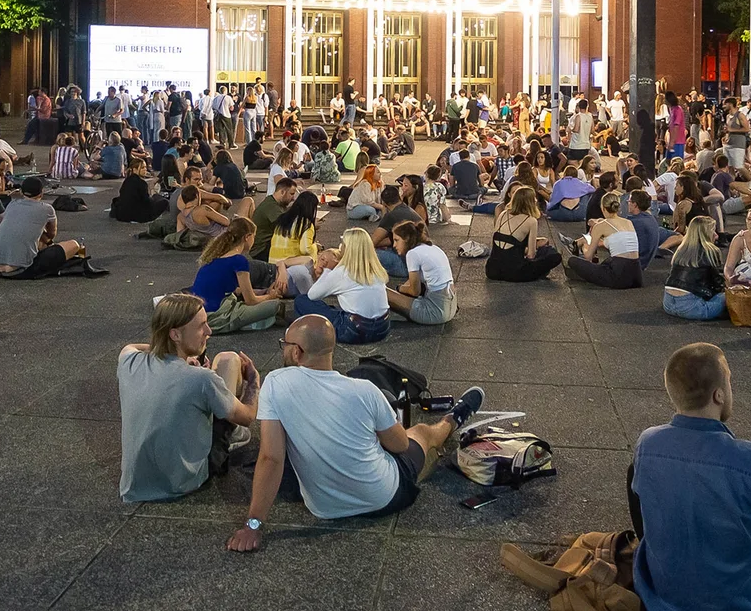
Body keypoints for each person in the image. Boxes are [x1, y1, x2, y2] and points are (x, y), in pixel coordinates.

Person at [229, 314, 486, 548]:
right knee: (418, 432)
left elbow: (271, 457)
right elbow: (399, 446)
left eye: (284, 344)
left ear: (297, 352)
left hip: (324, 508)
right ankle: (452, 420)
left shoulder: (275, 382)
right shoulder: (365, 390)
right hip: (384, 496)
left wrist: (253, 526)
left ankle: (445, 426)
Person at [629, 343, 751, 611]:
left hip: (662, 598)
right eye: (729, 381)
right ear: (719, 395)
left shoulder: (648, 443)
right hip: (749, 603)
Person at [118, 293, 261, 503]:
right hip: (184, 481)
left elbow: (132, 346)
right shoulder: (201, 379)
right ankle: (230, 433)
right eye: (201, 326)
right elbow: (248, 416)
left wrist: (178, 357)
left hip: (135, 486)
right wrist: (254, 383)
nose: (209, 331)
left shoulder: (128, 360)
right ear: (175, 335)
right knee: (228, 361)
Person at [292, 228, 393, 344]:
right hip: (382, 328)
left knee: (301, 301)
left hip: (353, 331)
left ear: (348, 248)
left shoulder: (343, 271)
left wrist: (327, 271)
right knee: (336, 308)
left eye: (343, 244)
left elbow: (313, 295)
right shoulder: (377, 270)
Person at [192, 219, 287, 334]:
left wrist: (264, 292)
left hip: (199, 315)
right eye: (254, 236)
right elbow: (250, 300)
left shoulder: (213, 257)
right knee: (275, 305)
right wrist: (270, 296)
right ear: (247, 237)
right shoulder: (239, 260)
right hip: (218, 316)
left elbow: (235, 290)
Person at [0, 176, 97, 277]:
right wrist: (48, 241)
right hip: (20, 270)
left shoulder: (11, 205)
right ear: (41, 193)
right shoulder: (47, 209)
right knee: (74, 245)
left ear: (21, 192)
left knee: (34, 239)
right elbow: (51, 234)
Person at [565, 189, 643, 288]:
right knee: (607, 262)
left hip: (618, 277)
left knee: (573, 261)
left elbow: (588, 257)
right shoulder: (628, 222)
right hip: (636, 275)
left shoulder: (601, 226)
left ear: (602, 208)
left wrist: (585, 245)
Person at [486, 185, 562, 282]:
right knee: (553, 255)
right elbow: (531, 255)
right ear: (530, 202)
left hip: (492, 270)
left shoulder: (503, 214)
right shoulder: (531, 221)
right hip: (514, 272)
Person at [385, 220, 456, 324]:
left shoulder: (413, 254)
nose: (394, 245)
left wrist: (399, 289)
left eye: (397, 240)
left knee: (382, 291)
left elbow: (414, 291)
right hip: (450, 308)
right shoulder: (432, 247)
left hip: (434, 312)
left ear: (407, 239)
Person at [663, 216, 727, 321]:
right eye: (713, 231)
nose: (716, 235)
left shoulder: (680, 250)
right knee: (728, 296)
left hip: (668, 304)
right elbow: (718, 282)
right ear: (704, 233)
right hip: (692, 308)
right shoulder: (710, 251)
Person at [249, 175, 296, 260]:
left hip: (264, 246)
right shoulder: (271, 207)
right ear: (282, 192)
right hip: (261, 250)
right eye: (291, 194)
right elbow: (286, 227)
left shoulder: (276, 203)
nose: (293, 198)